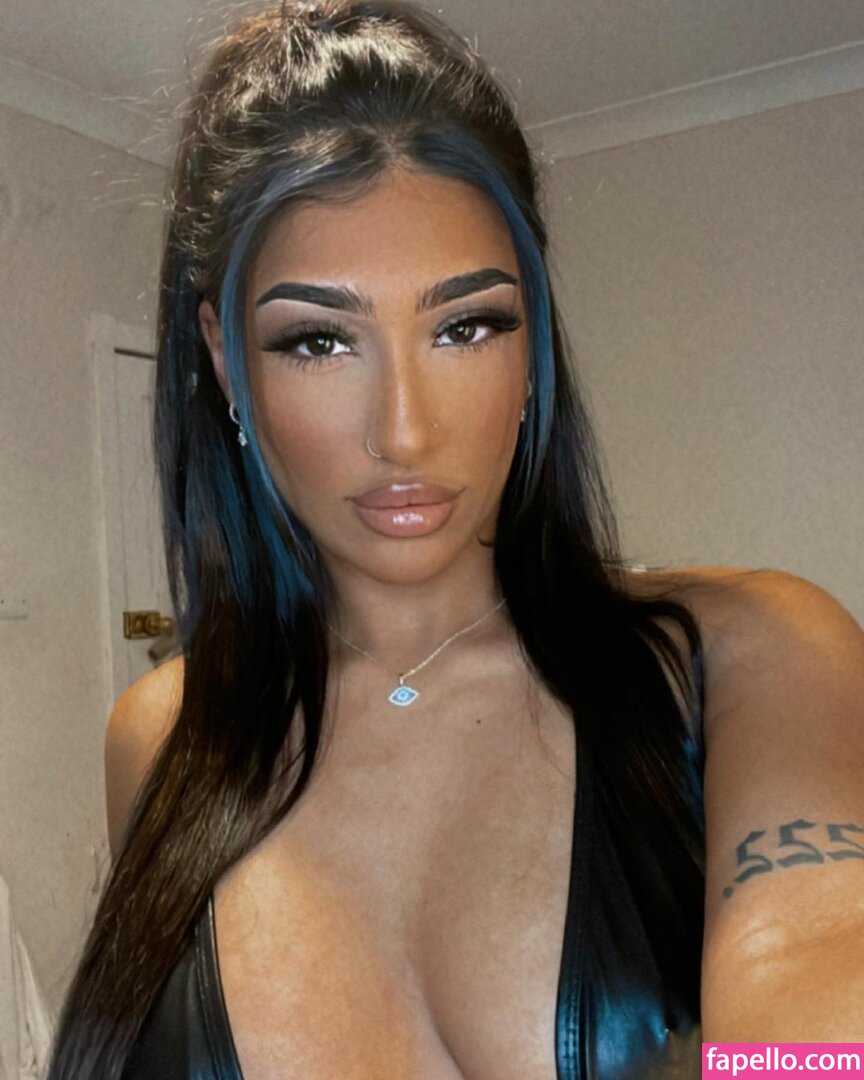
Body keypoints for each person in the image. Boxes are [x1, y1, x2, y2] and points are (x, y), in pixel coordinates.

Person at [48, 2, 864, 1078]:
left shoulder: (746, 651)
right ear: (224, 357)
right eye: (318, 341)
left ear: (533, 345)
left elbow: (813, 971)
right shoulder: (162, 734)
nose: (405, 431)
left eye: (465, 325)